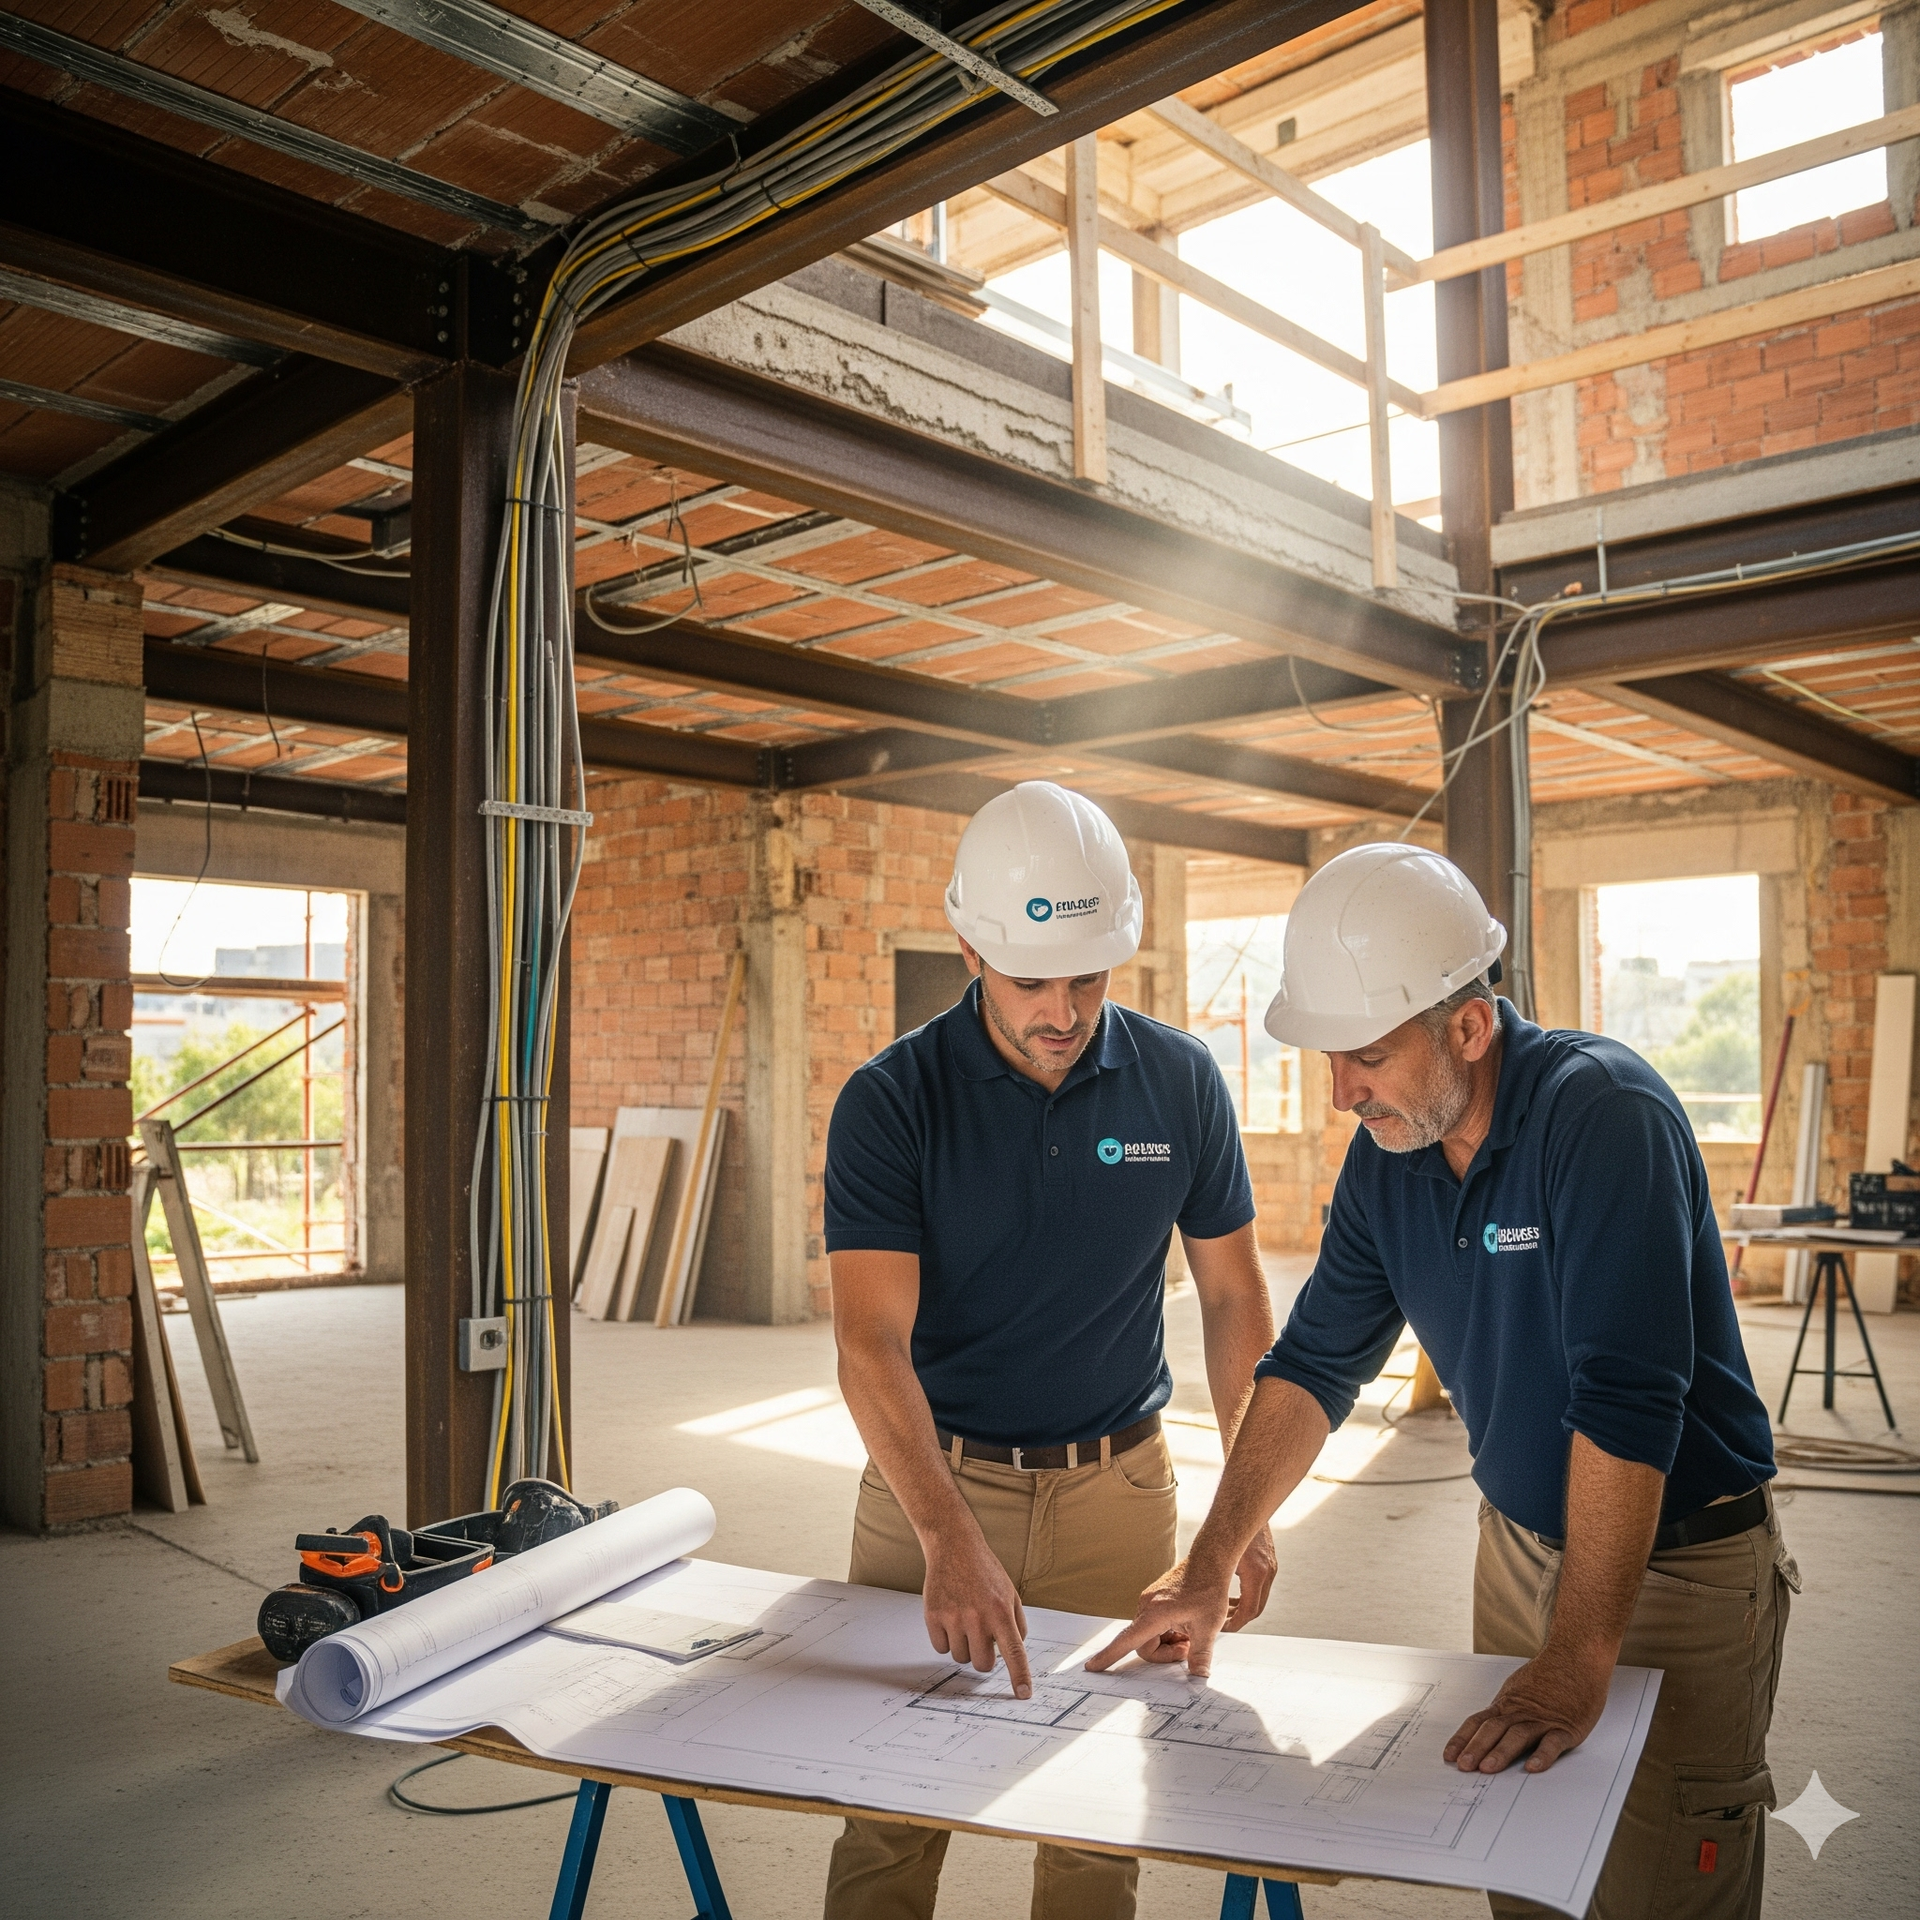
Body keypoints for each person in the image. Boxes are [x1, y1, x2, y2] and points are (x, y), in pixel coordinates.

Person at [1091, 842, 1795, 1920]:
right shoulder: (1391, 1154)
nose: (1339, 1093)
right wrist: (1209, 1559)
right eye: (1328, 1059)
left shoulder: (1604, 1119)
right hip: (1518, 1549)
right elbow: (1315, 1365)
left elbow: (1626, 1402)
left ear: (1467, 1028)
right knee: (1519, 1871)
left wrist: (1578, 1654)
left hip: (1675, 1567)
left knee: (1661, 1881)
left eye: (1363, 1055)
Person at [822, 781, 1278, 1920]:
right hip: (934, 1478)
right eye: (1034, 981)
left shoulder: (1180, 1080)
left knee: (1093, 1812)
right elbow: (869, 1342)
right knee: (890, 1796)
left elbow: (1232, 1298)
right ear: (970, 944)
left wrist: (1249, 1504)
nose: (1065, 1011)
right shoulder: (892, 1102)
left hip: (1122, 1490)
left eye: (1091, 977)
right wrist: (944, 1532)